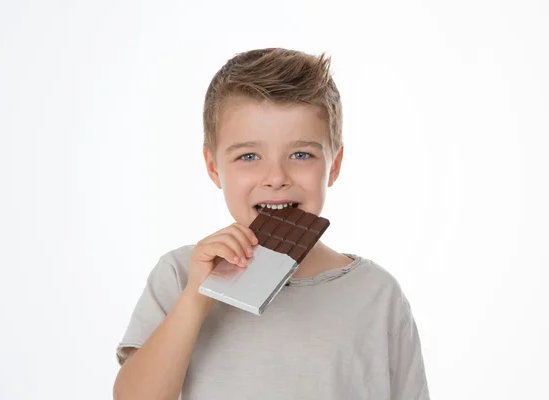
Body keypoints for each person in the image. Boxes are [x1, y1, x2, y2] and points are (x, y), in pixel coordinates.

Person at [112, 48, 430, 400]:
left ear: (334, 165)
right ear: (214, 166)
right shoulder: (181, 275)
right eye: (249, 156)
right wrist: (197, 298)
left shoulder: (377, 294)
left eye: (301, 154)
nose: (276, 177)